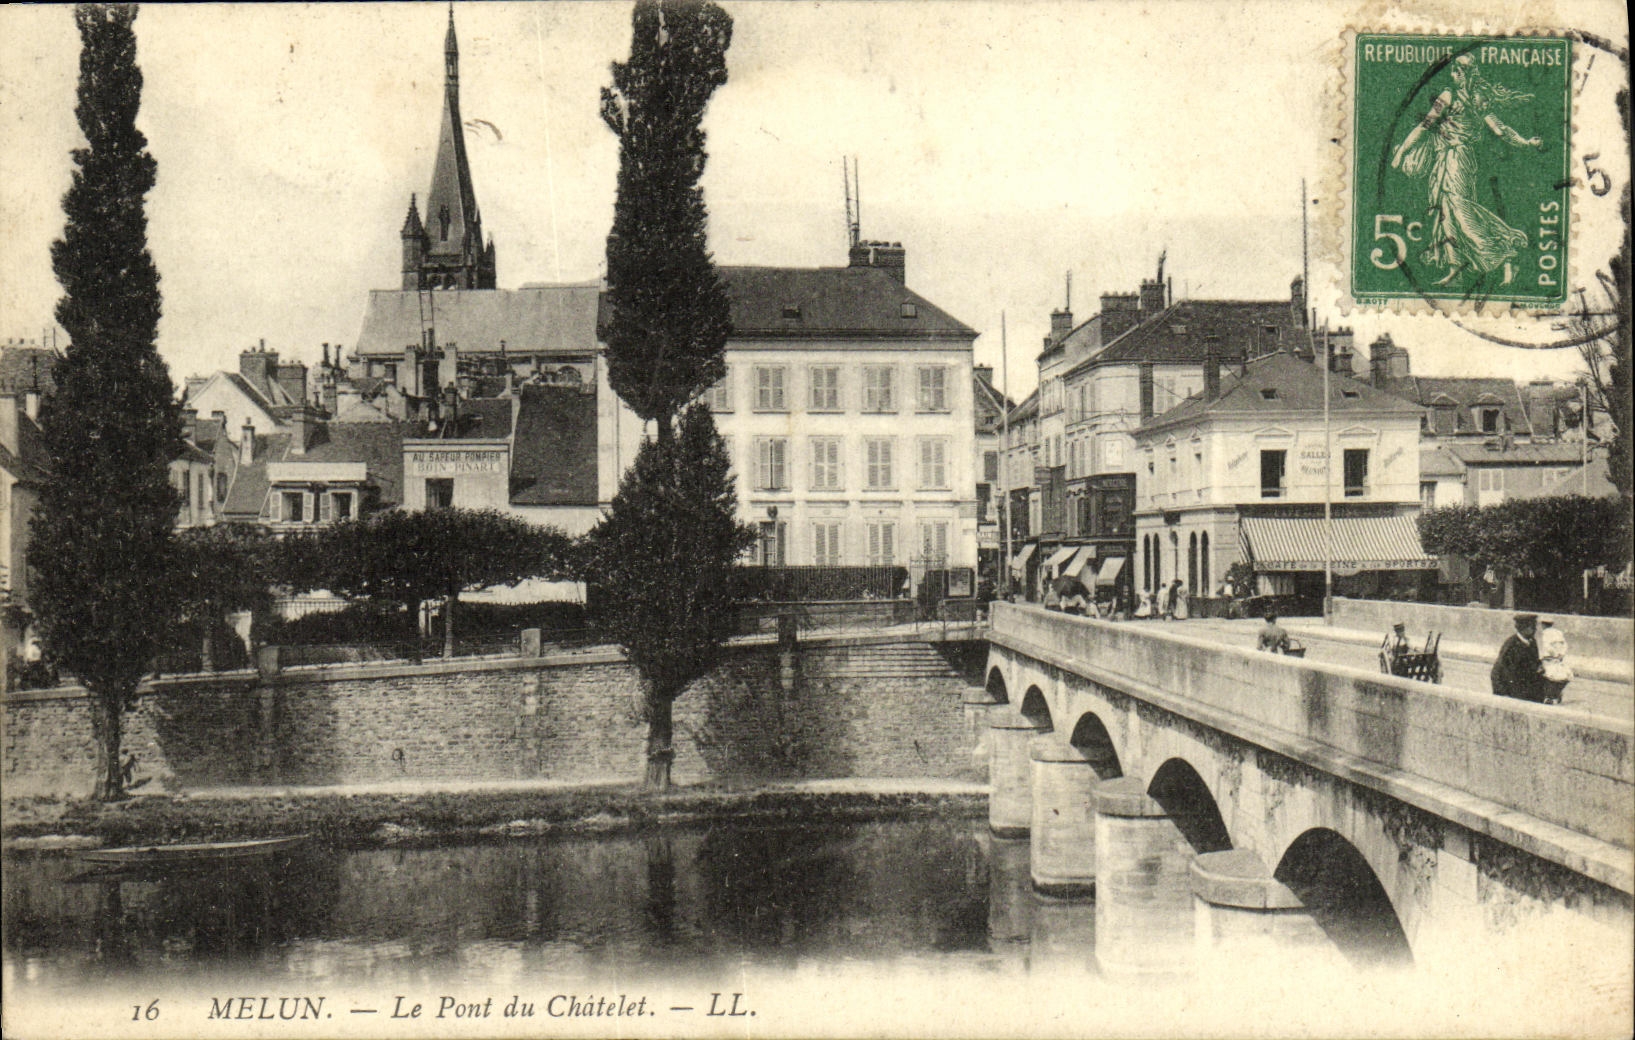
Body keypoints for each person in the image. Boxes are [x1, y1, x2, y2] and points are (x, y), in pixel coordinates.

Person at [1391, 53, 1542, 286]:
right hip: (1446, 158)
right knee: (1447, 212)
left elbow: (1498, 129)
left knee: (1461, 211)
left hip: (1459, 158)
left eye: (1456, 72)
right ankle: (1456, 268)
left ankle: (1505, 256)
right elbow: (1428, 125)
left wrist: (1525, 142)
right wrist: (1524, 142)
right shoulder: (1462, 97)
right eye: (1452, 71)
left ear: (1464, 74)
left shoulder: (1458, 97)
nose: (1452, 75)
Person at [1490, 613, 1546, 703]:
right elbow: (1499, 670)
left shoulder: (1532, 642)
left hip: (1530, 692)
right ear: (1523, 628)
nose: (1535, 629)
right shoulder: (1511, 645)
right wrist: (1503, 695)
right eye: (1532, 627)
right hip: (1515, 693)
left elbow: (1533, 663)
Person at [1537, 618, 1572, 704]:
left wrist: (1553, 654)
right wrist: (1561, 654)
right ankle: (1555, 694)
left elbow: (1547, 646)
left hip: (1550, 657)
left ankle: (1549, 696)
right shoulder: (1558, 632)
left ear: (1543, 624)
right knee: (1559, 675)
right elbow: (1565, 644)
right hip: (1559, 657)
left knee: (1547, 676)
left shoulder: (1545, 633)